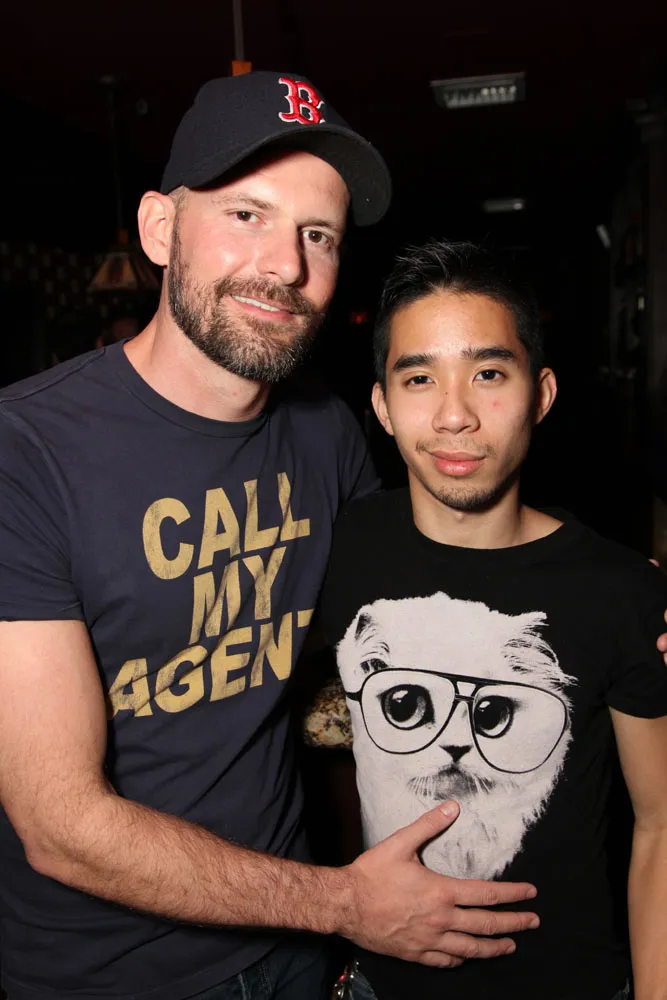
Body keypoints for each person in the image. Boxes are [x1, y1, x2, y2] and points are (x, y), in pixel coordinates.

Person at [0, 75, 542, 1000]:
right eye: (246, 214)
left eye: (317, 234)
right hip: (115, 973)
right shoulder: (26, 451)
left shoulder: (323, 429)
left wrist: (611, 601)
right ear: (160, 230)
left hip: (293, 945)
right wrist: (343, 904)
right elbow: (60, 824)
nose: (286, 265)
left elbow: (423, 589)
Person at [319, 240, 667, 1000]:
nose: (454, 415)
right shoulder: (336, 551)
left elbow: (660, 827)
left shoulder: (619, 590)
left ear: (540, 394)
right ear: (381, 406)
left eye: (487, 373)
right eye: (419, 378)